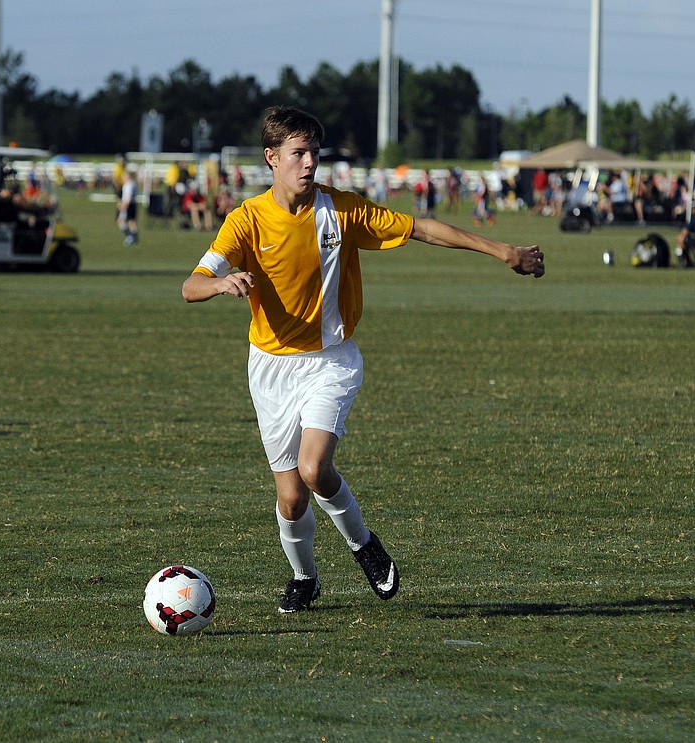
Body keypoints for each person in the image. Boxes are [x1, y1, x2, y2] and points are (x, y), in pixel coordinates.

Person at [182, 106, 545, 614]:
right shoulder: (245, 221)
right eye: (298, 153)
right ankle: (304, 576)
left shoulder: (343, 210)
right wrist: (221, 282)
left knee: (314, 468)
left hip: (331, 360)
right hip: (269, 368)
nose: (309, 164)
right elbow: (190, 285)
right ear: (271, 158)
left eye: (314, 153)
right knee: (291, 499)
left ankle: (364, 545)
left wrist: (499, 249)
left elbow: (422, 229)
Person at [117, 168, 139, 246]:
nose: (123, 177)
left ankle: (130, 237)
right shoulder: (133, 184)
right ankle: (135, 237)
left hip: (128, 205)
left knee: (120, 221)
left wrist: (123, 206)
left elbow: (128, 197)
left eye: (124, 175)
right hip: (132, 204)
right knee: (131, 222)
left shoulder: (128, 185)